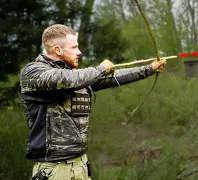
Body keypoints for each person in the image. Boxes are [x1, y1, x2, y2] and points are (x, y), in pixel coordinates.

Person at [19, 24, 166, 180]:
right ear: (57, 50)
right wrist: (101, 69)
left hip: (81, 164)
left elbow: (112, 78)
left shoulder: (79, 76)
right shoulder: (33, 72)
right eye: (74, 47)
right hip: (54, 170)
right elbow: (65, 79)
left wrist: (149, 68)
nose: (79, 52)